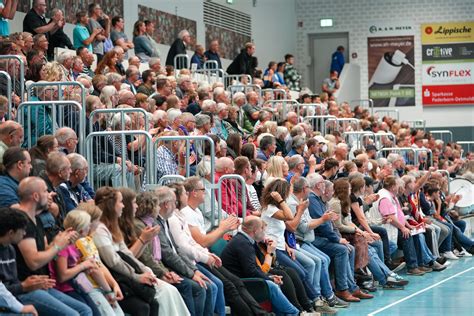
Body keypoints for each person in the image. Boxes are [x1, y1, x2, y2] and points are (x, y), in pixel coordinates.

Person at [93, 187, 189, 316]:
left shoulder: (115, 227)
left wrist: (146, 270)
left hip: (130, 274)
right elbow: (114, 262)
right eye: (122, 202)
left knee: (171, 291)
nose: (136, 206)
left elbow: (127, 254)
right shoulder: (101, 230)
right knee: (162, 295)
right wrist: (139, 274)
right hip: (120, 278)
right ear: (112, 205)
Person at [12, 177, 93, 316]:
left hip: (43, 284)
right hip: (28, 288)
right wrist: (57, 246)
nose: (51, 194)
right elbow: (33, 262)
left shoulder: (36, 218)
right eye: (45, 191)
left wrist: (59, 241)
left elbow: (45, 251)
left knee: (85, 310)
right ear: (36, 196)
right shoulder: (21, 220)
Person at [221, 216, 300, 316]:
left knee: (277, 278)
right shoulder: (243, 244)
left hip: (242, 279)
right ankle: (294, 313)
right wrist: (270, 279)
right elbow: (252, 271)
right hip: (241, 285)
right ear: (255, 231)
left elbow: (255, 269)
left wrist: (269, 277)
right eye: (263, 229)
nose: (264, 232)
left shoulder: (244, 240)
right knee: (271, 285)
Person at [51, 210, 125, 316]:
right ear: (81, 230)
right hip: (70, 288)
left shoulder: (77, 243)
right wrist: (108, 291)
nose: (90, 226)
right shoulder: (66, 245)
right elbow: (62, 276)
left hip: (82, 286)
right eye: (88, 224)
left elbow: (94, 267)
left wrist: (110, 288)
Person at [0, 207, 38, 316]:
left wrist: (28, 283)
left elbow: (14, 281)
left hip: (12, 294)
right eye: (22, 230)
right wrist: (23, 286)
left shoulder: (11, 249)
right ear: (11, 232)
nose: (25, 233)